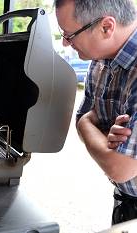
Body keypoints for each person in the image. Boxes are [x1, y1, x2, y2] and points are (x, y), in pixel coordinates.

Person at [55, 0, 137, 225]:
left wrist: (86, 124)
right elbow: (82, 117)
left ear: (106, 27)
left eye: (70, 35)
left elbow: (120, 167)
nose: (64, 42)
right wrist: (89, 125)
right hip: (125, 200)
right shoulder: (99, 62)